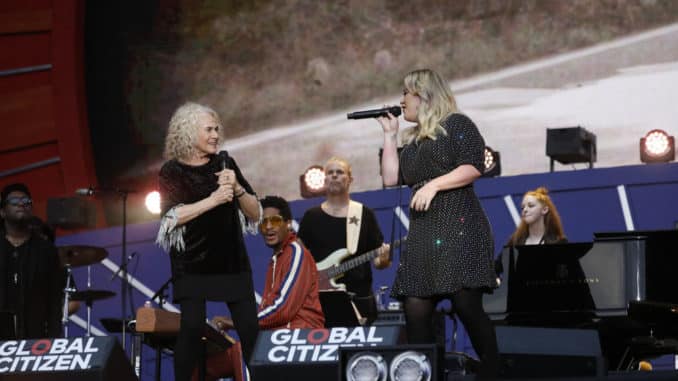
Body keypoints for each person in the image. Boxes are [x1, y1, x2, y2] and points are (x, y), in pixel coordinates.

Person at [377, 69, 499, 377]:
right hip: (424, 232)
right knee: (415, 309)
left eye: (406, 93)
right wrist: (390, 136)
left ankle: (496, 371)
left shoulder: (456, 124)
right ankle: (425, 374)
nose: (401, 100)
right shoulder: (414, 141)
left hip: (459, 226)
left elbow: (473, 166)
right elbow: (392, 178)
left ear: (424, 95)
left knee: (466, 305)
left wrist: (433, 185)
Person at [156, 102, 261, 381]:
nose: (216, 134)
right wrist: (213, 200)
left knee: (251, 332)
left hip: (231, 262)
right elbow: (170, 218)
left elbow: (255, 213)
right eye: (209, 129)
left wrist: (237, 188)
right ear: (189, 132)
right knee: (191, 330)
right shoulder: (172, 171)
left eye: (217, 129)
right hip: (192, 265)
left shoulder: (225, 162)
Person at [195, 195, 324, 381]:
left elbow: (283, 309)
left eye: (275, 221)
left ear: (288, 224)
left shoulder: (296, 253)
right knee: (202, 368)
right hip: (279, 338)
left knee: (243, 352)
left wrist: (235, 322)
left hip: (300, 338)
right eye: (263, 223)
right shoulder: (275, 260)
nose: (268, 227)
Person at [297, 157, 390, 324]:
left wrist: (383, 260)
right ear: (324, 179)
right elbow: (297, 258)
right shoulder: (311, 217)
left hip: (360, 297)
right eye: (329, 172)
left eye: (339, 172)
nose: (334, 176)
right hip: (320, 299)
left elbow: (378, 261)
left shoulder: (364, 214)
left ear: (350, 180)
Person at [0, 183, 64, 339]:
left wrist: (53, 338)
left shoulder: (46, 250)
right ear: (2, 212)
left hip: (36, 338)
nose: (21, 204)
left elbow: (55, 300)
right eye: (14, 201)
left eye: (26, 201)